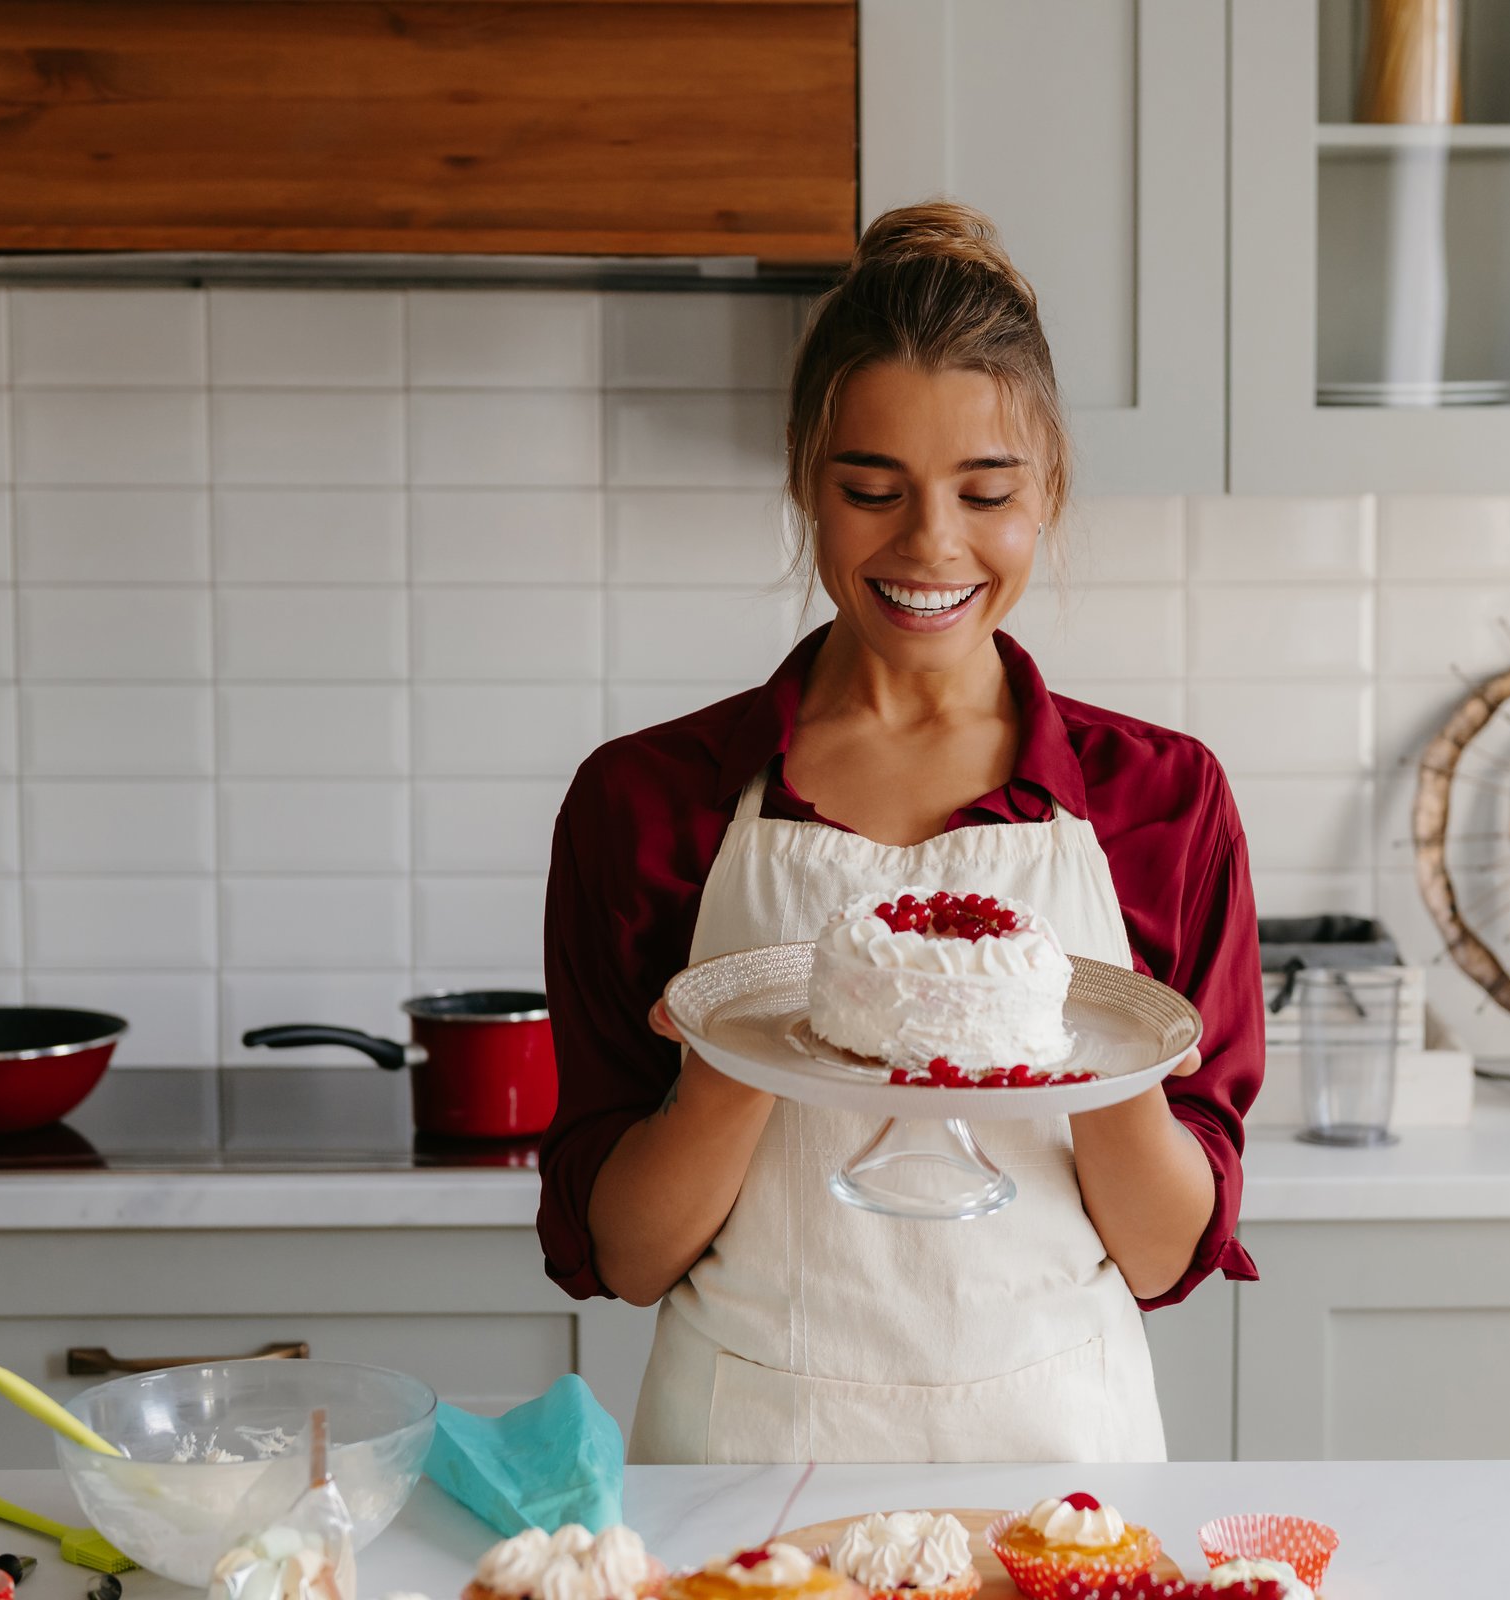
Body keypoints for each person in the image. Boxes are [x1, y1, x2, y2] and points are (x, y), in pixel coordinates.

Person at [538, 200, 1262, 1463]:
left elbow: (1158, 1256)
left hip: (1064, 1463)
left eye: (987, 493)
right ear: (804, 483)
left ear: (1051, 493)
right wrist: (747, 1041)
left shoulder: (1161, 799)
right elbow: (630, 1256)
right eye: (871, 489)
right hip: (747, 1455)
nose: (930, 544)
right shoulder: (647, 800)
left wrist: (1084, 1038)